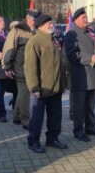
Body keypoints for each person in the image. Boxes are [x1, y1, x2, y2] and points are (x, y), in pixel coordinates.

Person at [24, 14, 68, 153]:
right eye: (49, 23)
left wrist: (63, 84)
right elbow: (30, 67)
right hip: (42, 88)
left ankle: (52, 138)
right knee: (37, 118)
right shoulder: (35, 41)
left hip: (55, 86)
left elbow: (60, 64)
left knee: (56, 115)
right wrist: (34, 87)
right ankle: (33, 141)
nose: (52, 25)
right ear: (40, 25)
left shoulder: (53, 40)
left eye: (52, 22)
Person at [64, 7, 95, 143]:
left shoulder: (89, 32)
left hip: (92, 75)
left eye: (86, 17)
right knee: (79, 106)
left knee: (90, 104)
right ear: (75, 20)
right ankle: (78, 130)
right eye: (83, 18)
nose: (86, 20)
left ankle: (90, 127)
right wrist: (89, 58)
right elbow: (72, 54)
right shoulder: (71, 34)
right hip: (81, 76)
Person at [2, 9, 40, 129]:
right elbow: (9, 48)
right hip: (21, 67)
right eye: (33, 19)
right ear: (27, 18)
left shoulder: (36, 31)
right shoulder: (17, 30)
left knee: (21, 94)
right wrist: (7, 67)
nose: (34, 22)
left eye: (36, 20)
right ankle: (26, 120)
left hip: (32, 68)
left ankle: (17, 116)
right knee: (24, 94)